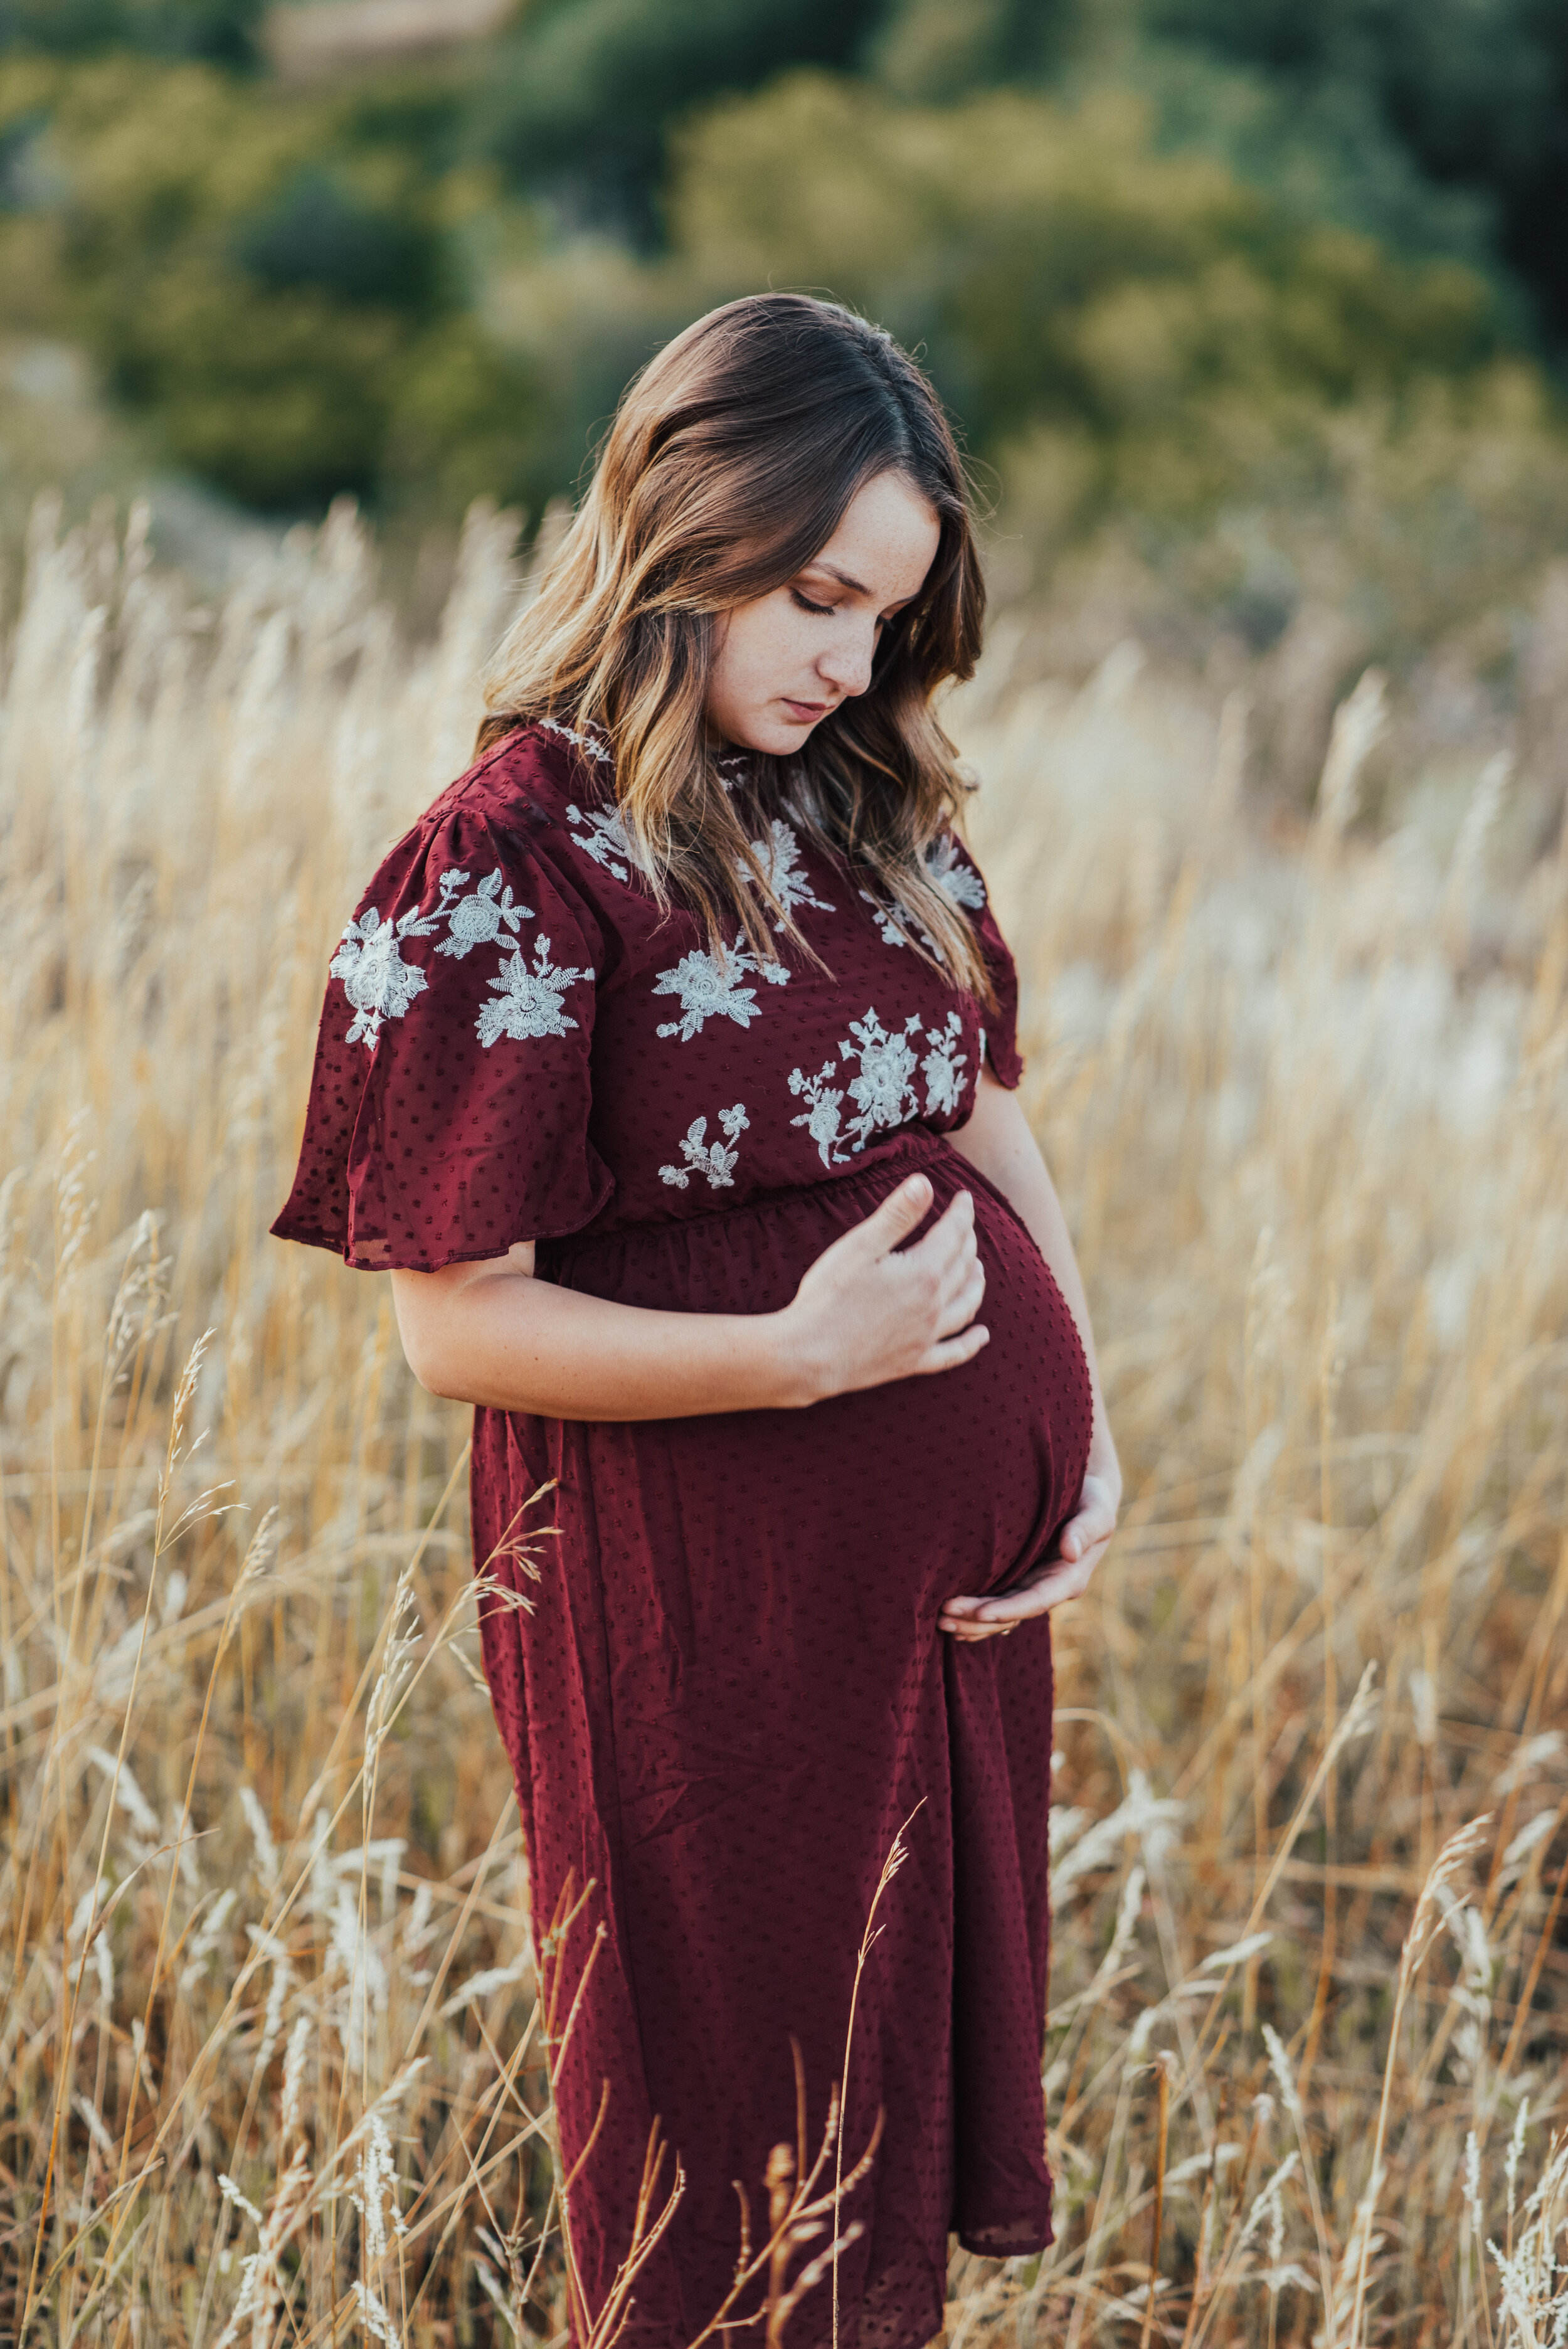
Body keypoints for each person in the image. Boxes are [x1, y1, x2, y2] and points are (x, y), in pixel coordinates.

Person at [272, 292, 1120, 2349]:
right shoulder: (502, 864)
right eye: (815, 595)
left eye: (886, 619)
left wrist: (1082, 1426)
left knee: (875, 2141)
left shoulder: (866, 802)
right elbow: (452, 1325)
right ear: (680, 525)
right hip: (689, 1600)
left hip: (930, 1615)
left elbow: (984, 1107)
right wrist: (790, 1360)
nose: (846, 659)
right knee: (715, 2174)